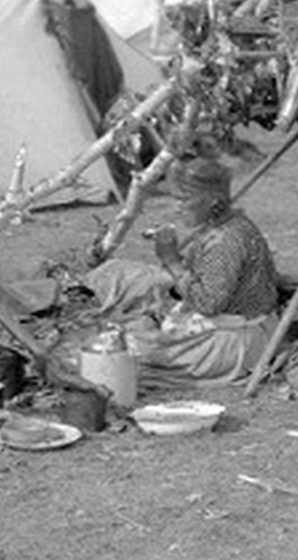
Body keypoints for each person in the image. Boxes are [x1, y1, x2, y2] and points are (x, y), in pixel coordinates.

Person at [82, 155, 279, 389]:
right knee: (130, 311)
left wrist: (172, 260)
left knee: (123, 357)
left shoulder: (224, 242)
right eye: (175, 199)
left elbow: (208, 303)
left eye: (184, 200)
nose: (177, 208)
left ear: (213, 201)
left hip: (231, 345)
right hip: (242, 332)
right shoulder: (227, 225)